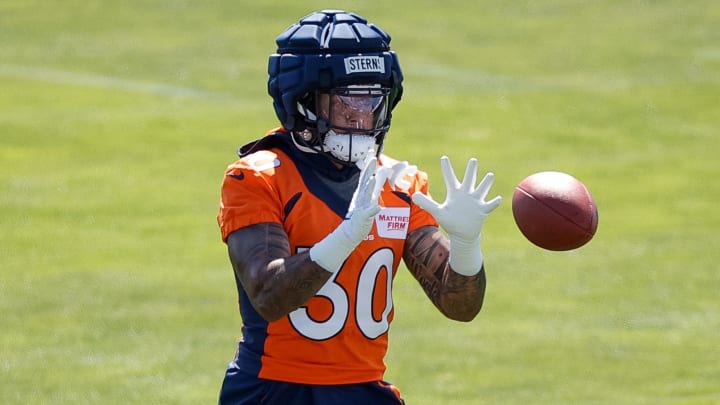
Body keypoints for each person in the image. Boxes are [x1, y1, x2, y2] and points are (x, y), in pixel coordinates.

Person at [216, 9, 502, 405]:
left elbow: (459, 305)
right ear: (304, 100)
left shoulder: (398, 183)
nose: (362, 113)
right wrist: (347, 234)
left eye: (373, 98)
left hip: (364, 390)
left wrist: (467, 245)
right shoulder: (258, 177)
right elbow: (269, 296)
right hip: (275, 390)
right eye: (347, 98)